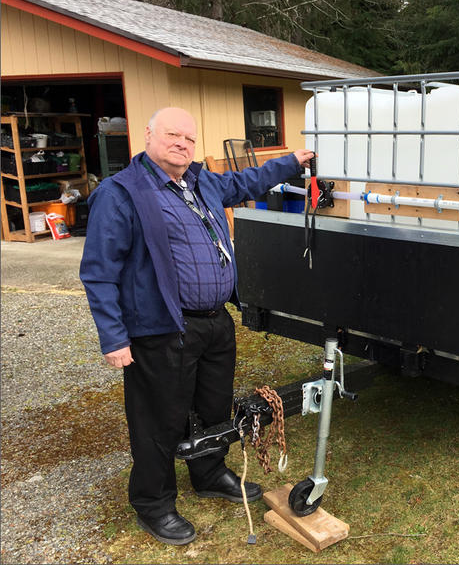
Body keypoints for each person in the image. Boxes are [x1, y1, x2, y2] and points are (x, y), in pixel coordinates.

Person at [80, 107, 314, 546]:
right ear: (148, 135)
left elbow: (244, 183)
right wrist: (114, 337)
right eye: (172, 135)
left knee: (213, 407)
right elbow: (98, 271)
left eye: (189, 138)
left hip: (214, 322)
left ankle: (208, 473)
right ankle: (153, 502)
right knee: (159, 421)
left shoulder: (201, 181)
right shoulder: (121, 193)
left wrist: (291, 162)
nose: (182, 144)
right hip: (160, 328)